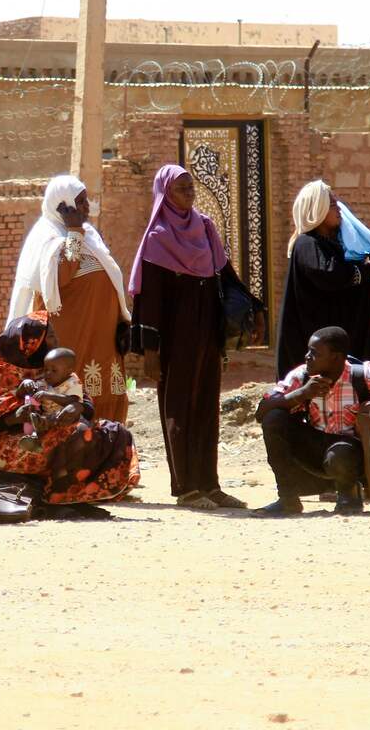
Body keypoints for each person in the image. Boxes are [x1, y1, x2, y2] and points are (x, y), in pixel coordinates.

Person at [128, 164, 262, 510]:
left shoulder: (205, 228)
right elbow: (150, 301)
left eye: (191, 187)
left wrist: (252, 310)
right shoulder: (158, 239)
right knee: (179, 407)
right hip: (175, 338)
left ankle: (210, 484)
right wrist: (150, 352)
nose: (189, 193)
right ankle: (186, 487)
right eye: (181, 188)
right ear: (165, 194)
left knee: (206, 407)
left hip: (208, 332)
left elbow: (225, 275)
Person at [0, 312, 139, 520]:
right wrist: (18, 417)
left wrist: (77, 408)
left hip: (54, 430)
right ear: (31, 343)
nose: (56, 341)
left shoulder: (53, 367)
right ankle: (52, 500)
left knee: (111, 433)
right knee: (76, 434)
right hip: (9, 445)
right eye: (49, 337)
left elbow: (84, 402)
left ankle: (70, 498)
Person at [254, 327, 370, 516]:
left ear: (335, 357)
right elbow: (262, 411)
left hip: (349, 455)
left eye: (314, 353)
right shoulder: (303, 376)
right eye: (308, 351)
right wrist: (301, 394)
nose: (307, 356)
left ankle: (349, 494)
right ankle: (288, 499)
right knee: (274, 418)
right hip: (315, 452)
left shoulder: (360, 375)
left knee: (339, 454)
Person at [7, 174, 132, 422]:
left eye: (86, 200)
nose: (87, 207)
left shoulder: (90, 236)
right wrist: (73, 231)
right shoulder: (47, 237)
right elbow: (60, 278)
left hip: (104, 340)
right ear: (62, 206)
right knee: (78, 404)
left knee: (110, 403)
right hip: (73, 340)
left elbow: (111, 279)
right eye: (80, 202)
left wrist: (121, 320)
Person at [276, 180, 370, 378]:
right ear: (316, 210)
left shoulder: (339, 246)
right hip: (315, 348)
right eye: (332, 204)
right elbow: (330, 275)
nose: (339, 208)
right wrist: (367, 270)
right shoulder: (307, 244)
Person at [17, 347, 85, 454]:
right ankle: (34, 439)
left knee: (60, 415)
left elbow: (72, 400)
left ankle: (38, 434)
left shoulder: (73, 382)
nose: (48, 373)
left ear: (69, 371)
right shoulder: (44, 382)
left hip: (64, 417)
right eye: (46, 369)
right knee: (33, 408)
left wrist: (50, 396)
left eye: (54, 370)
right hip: (45, 417)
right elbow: (20, 394)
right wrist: (27, 383)